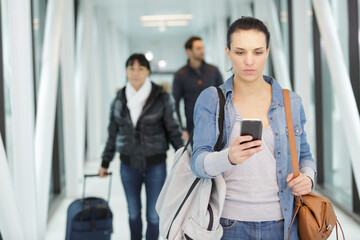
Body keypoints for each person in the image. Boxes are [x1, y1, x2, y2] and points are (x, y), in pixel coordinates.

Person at [191, 17, 316, 240]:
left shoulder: (290, 102)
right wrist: (228, 157)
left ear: (267, 52)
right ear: (227, 53)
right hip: (229, 225)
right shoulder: (212, 99)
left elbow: (305, 155)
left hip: (283, 225)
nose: (249, 61)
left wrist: (308, 178)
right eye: (240, 52)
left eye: (257, 52)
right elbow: (198, 163)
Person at [99, 53, 184, 240]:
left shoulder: (161, 97)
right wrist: (105, 162)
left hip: (156, 165)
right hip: (128, 165)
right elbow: (113, 133)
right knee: (133, 213)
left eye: (140, 68)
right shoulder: (119, 99)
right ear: (126, 71)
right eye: (131, 68)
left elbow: (173, 130)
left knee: (154, 216)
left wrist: (184, 158)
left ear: (148, 72)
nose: (135, 73)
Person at [172, 36, 223, 141]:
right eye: (198, 48)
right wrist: (181, 128)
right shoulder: (180, 74)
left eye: (203, 47)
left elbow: (224, 96)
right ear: (189, 51)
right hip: (193, 127)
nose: (202, 51)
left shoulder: (213, 71)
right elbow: (175, 103)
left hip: (216, 124)